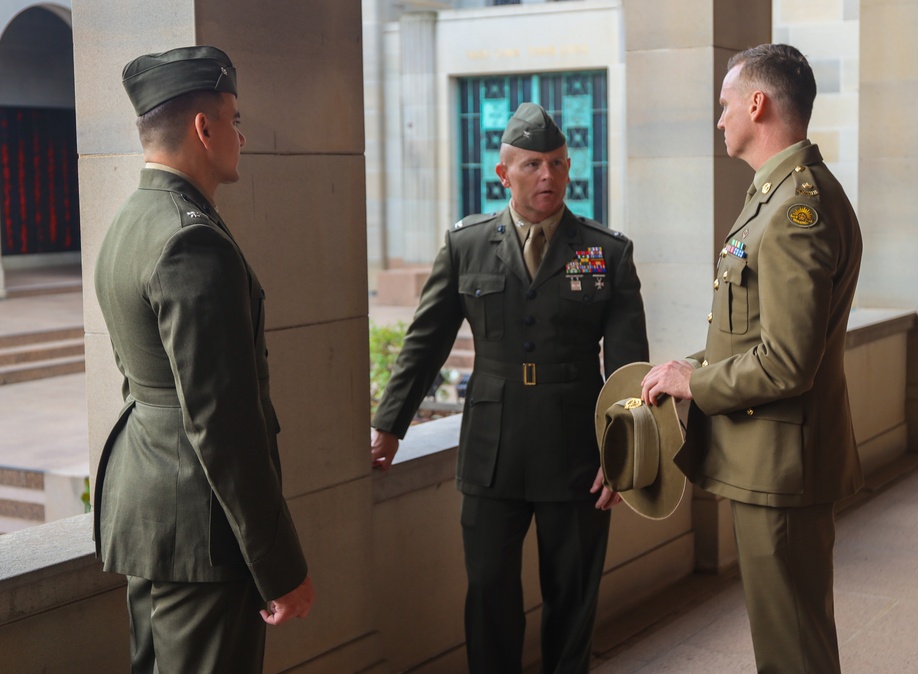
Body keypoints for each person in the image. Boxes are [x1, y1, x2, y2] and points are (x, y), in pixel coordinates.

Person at [370, 102, 649, 674]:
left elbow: (627, 367)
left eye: (557, 163)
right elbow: (426, 342)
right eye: (532, 165)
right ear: (504, 173)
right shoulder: (466, 245)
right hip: (491, 451)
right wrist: (388, 424)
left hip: (576, 451)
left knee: (572, 596)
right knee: (489, 594)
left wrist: (623, 453)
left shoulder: (605, 252)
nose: (547, 176)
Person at [640, 44, 863, 673]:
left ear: (757, 104)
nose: (720, 120)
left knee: (791, 646)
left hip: (780, 465)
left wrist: (697, 381)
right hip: (775, 459)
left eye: (725, 104)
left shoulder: (797, 210)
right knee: (791, 635)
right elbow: (751, 332)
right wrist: (681, 370)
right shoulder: (784, 192)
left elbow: (789, 361)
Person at [92, 46, 314, 674]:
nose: (242, 136)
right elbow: (224, 421)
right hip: (201, 526)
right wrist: (279, 566)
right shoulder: (192, 240)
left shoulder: (130, 221)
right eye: (236, 120)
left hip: (150, 509)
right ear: (203, 127)